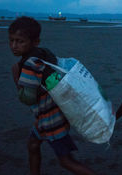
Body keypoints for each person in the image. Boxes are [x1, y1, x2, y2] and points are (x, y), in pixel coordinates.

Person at [9, 16, 95, 175]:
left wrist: (16, 76)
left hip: (51, 120)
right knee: (33, 145)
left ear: (35, 41)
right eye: (12, 40)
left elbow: (28, 99)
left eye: (20, 41)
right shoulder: (43, 54)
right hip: (51, 113)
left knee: (66, 161)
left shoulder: (29, 64)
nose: (14, 46)